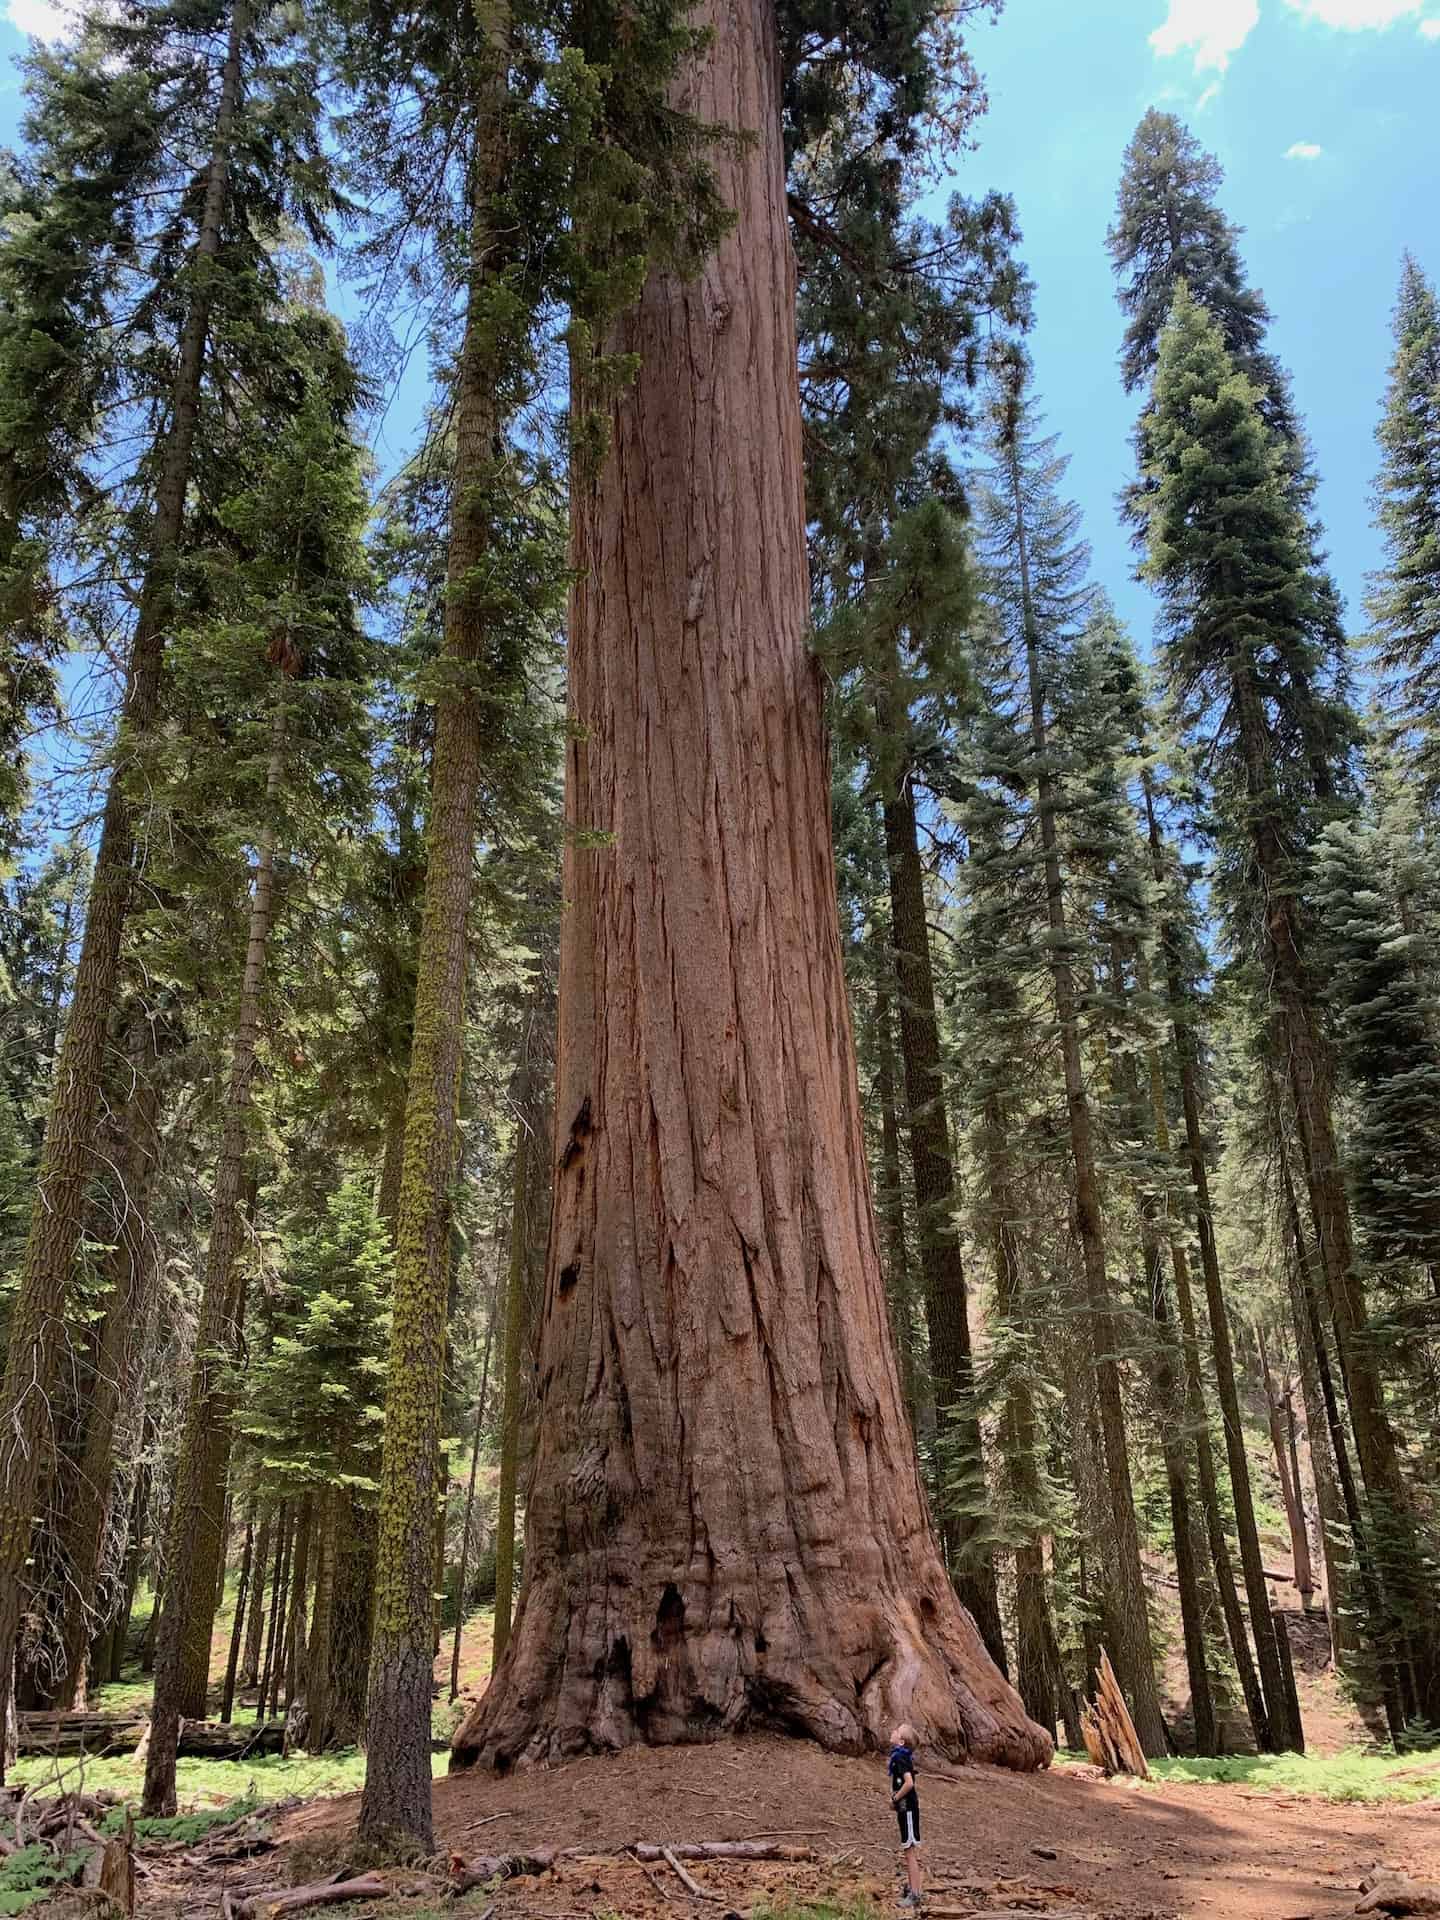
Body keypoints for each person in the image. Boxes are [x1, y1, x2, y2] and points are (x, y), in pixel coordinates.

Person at [889, 1722, 923, 1909]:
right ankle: (912, 1888)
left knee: (910, 1852)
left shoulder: (901, 1758)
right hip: (905, 1808)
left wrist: (895, 1798)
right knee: (907, 1851)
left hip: (908, 1809)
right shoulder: (900, 1756)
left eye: (896, 1731)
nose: (893, 1731)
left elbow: (909, 1783)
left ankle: (916, 1894)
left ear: (901, 1742)